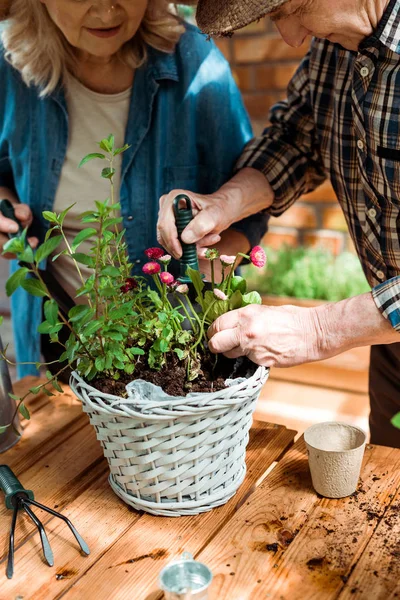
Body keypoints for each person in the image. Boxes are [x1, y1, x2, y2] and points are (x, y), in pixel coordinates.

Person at [157, 0, 400, 448]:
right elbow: (295, 141)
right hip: (390, 338)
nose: (290, 38)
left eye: (290, 10)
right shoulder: (337, 48)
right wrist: (223, 202)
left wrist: (319, 330)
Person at [0, 0, 268, 378]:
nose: (107, 11)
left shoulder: (197, 63)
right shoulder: (9, 63)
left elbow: (252, 203)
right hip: (53, 346)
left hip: (167, 357)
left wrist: (200, 277)